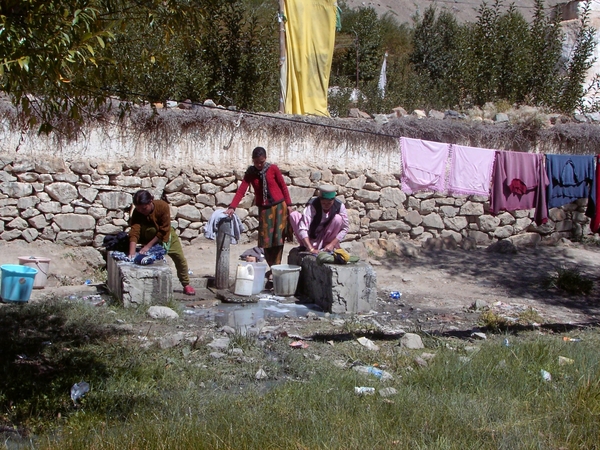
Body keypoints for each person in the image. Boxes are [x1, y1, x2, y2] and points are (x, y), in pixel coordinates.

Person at [225, 146, 292, 268]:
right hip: (264, 210)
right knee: (265, 240)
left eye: (261, 162)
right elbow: (241, 190)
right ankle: (271, 265)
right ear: (252, 161)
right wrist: (232, 207)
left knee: (278, 240)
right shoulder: (251, 173)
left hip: (279, 208)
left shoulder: (273, 169)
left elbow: (283, 186)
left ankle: (275, 268)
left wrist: (289, 205)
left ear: (265, 159)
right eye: (256, 162)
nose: (259, 165)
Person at [128, 190, 196, 295]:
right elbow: (135, 230)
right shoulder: (138, 212)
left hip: (166, 236)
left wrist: (148, 247)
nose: (141, 211)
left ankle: (186, 284)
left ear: (151, 201)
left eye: (144, 208)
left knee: (179, 258)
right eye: (138, 209)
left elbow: (164, 230)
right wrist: (131, 252)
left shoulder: (162, 207)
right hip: (147, 235)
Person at [289, 185, 349, 255]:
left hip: (325, 235)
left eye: (329, 203)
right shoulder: (313, 205)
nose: (326, 205)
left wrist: (332, 244)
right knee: (294, 215)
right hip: (310, 234)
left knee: (338, 218)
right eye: (323, 203)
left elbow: (345, 228)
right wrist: (311, 249)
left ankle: (327, 245)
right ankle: (305, 245)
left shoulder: (339, 206)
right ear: (320, 200)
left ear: (333, 200)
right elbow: (303, 228)